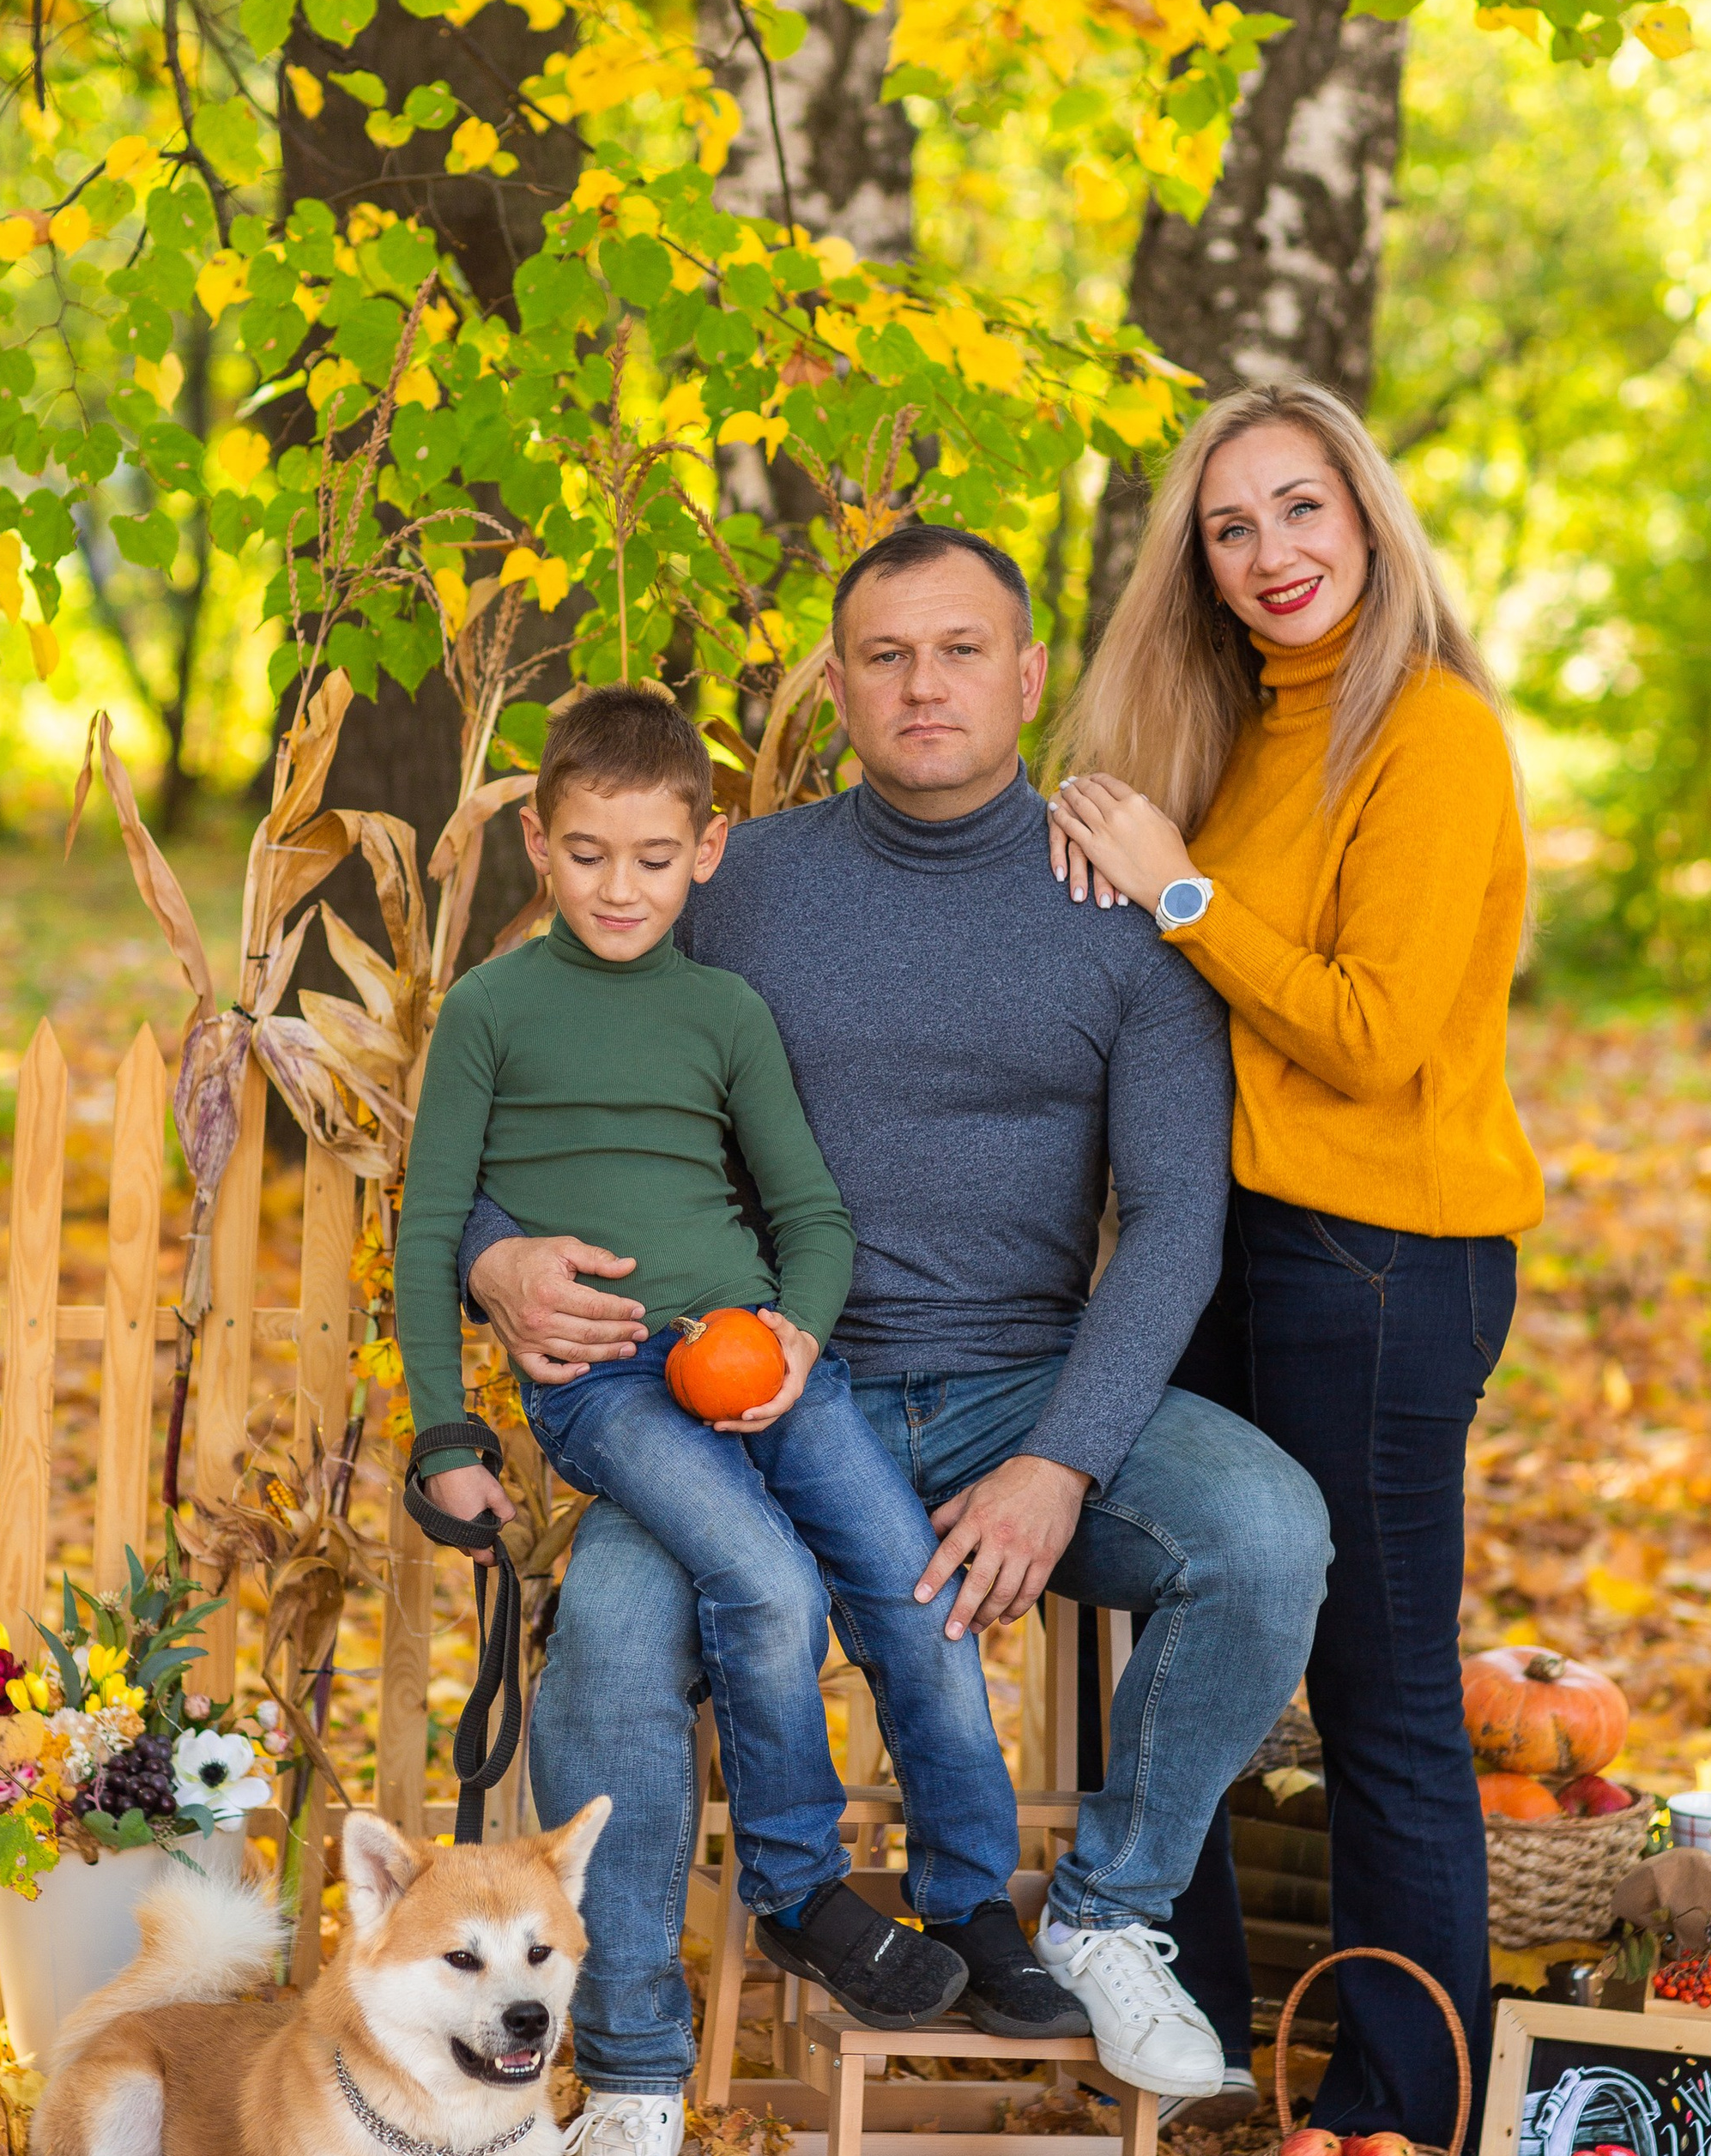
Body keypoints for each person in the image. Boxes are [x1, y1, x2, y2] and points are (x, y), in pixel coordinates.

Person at [459, 526, 1335, 2156]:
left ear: (1024, 676)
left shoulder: (1113, 904)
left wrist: (1062, 1464)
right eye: (883, 655)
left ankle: (1102, 1913)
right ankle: (633, 2079)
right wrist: (497, 1256)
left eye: (957, 650)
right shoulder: (736, 882)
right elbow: (528, 1073)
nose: (922, 683)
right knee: (613, 1624)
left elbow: (1175, 1223)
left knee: (1271, 1533)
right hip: (750, 1393)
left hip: (1022, 1380)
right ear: (840, 683)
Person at [397, 689, 1086, 2049]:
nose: (620, 886)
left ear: (706, 855)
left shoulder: (723, 1012)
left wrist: (799, 1336)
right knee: (765, 1580)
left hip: (760, 1356)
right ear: (539, 842)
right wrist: (443, 1436)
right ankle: (798, 1887)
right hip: (606, 1383)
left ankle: (972, 1901)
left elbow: (812, 1217)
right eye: (589, 852)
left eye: (656, 858)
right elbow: (428, 1232)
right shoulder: (490, 1011)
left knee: (919, 1596)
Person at [1045, 379, 1544, 2147]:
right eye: (1228, 525)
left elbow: (1370, 1033)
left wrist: (1179, 892)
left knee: (1377, 1693)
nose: (1268, 553)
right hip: (1226, 1245)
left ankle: (1401, 2102)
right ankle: (1202, 2072)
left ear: (1366, 517)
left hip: (1385, 1259)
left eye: (1300, 509)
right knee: (1182, 1629)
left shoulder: (1429, 734)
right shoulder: (1237, 731)